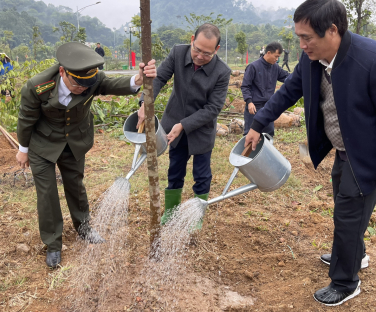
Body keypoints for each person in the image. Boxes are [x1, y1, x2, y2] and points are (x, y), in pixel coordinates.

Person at [244, 0, 376, 306]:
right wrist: (258, 123)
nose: (302, 44)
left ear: (333, 31)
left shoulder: (375, 61)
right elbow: (288, 91)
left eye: (307, 37)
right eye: (298, 37)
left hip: (369, 156)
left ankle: (345, 282)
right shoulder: (312, 58)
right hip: (342, 150)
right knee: (346, 207)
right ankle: (354, 254)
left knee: (348, 216)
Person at [16, 42, 156, 268]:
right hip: (43, 144)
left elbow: (111, 83)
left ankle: (84, 227)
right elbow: (26, 119)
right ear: (62, 72)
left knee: (76, 185)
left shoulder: (90, 79)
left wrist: (137, 80)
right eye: (77, 85)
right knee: (47, 193)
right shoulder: (37, 86)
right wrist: (23, 150)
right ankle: (53, 244)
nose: (82, 89)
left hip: (74, 141)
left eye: (86, 86)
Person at [137, 23, 231, 226]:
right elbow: (159, 77)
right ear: (191, 40)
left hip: (201, 128)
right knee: (175, 169)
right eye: (196, 49)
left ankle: (196, 217)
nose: (199, 56)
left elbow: (213, 108)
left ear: (216, 50)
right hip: (174, 126)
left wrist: (184, 124)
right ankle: (171, 212)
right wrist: (146, 102)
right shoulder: (178, 53)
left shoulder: (222, 72)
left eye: (207, 53)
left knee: (202, 174)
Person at [241, 41, 289, 138]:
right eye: (276, 56)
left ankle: (265, 153)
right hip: (254, 107)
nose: (277, 59)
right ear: (268, 53)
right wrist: (249, 102)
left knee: (268, 135)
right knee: (250, 136)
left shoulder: (275, 67)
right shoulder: (253, 66)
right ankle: (248, 153)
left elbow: (288, 77)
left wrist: (302, 79)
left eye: (278, 57)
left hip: (268, 107)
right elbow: (245, 86)